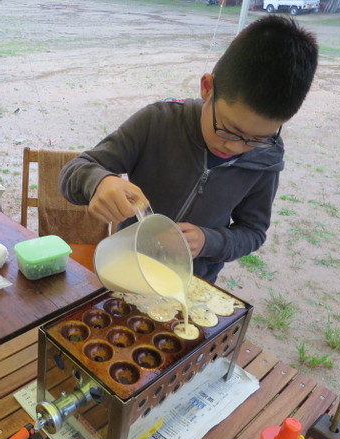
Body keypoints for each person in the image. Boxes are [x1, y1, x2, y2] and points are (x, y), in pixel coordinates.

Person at [59, 16, 318, 283]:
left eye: (256, 138)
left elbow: (252, 232)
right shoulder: (158, 122)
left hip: (193, 281)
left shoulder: (266, 158)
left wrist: (208, 241)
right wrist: (99, 181)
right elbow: (74, 171)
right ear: (208, 88)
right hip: (127, 266)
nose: (236, 146)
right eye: (228, 129)